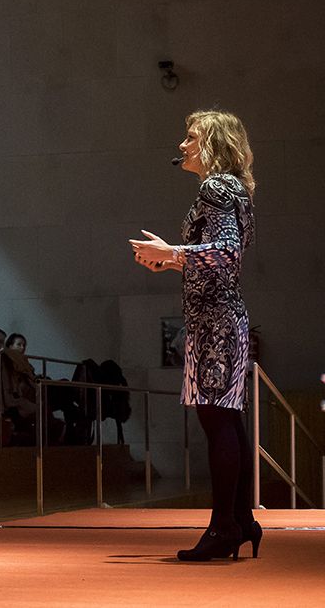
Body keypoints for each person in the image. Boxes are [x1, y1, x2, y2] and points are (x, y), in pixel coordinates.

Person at [129, 109, 258, 562]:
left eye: (190, 137)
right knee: (228, 422)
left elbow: (225, 253)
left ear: (212, 144)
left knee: (216, 421)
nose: (182, 145)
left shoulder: (215, 186)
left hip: (215, 322)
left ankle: (225, 526)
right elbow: (222, 255)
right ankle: (241, 520)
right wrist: (171, 259)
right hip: (225, 316)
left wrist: (173, 251)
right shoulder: (236, 189)